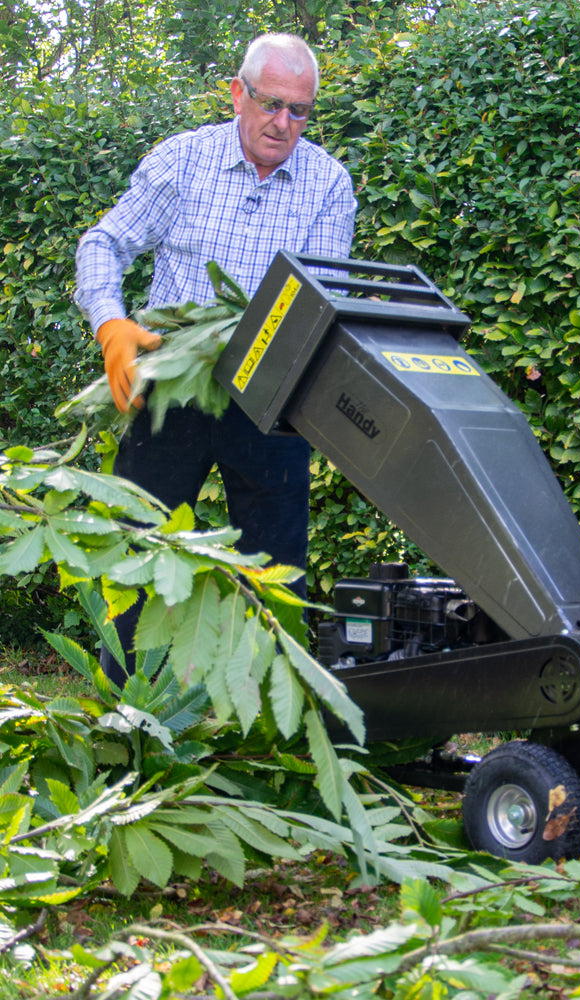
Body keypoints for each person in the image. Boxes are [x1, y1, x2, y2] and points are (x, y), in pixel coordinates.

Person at [74, 33, 357, 685]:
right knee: (137, 550)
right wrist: (112, 324)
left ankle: (262, 722)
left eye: (300, 111)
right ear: (238, 93)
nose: (283, 123)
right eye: (270, 104)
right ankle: (125, 709)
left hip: (270, 400)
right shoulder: (183, 162)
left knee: (274, 571)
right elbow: (105, 241)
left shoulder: (328, 184)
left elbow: (325, 300)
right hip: (170, 387)